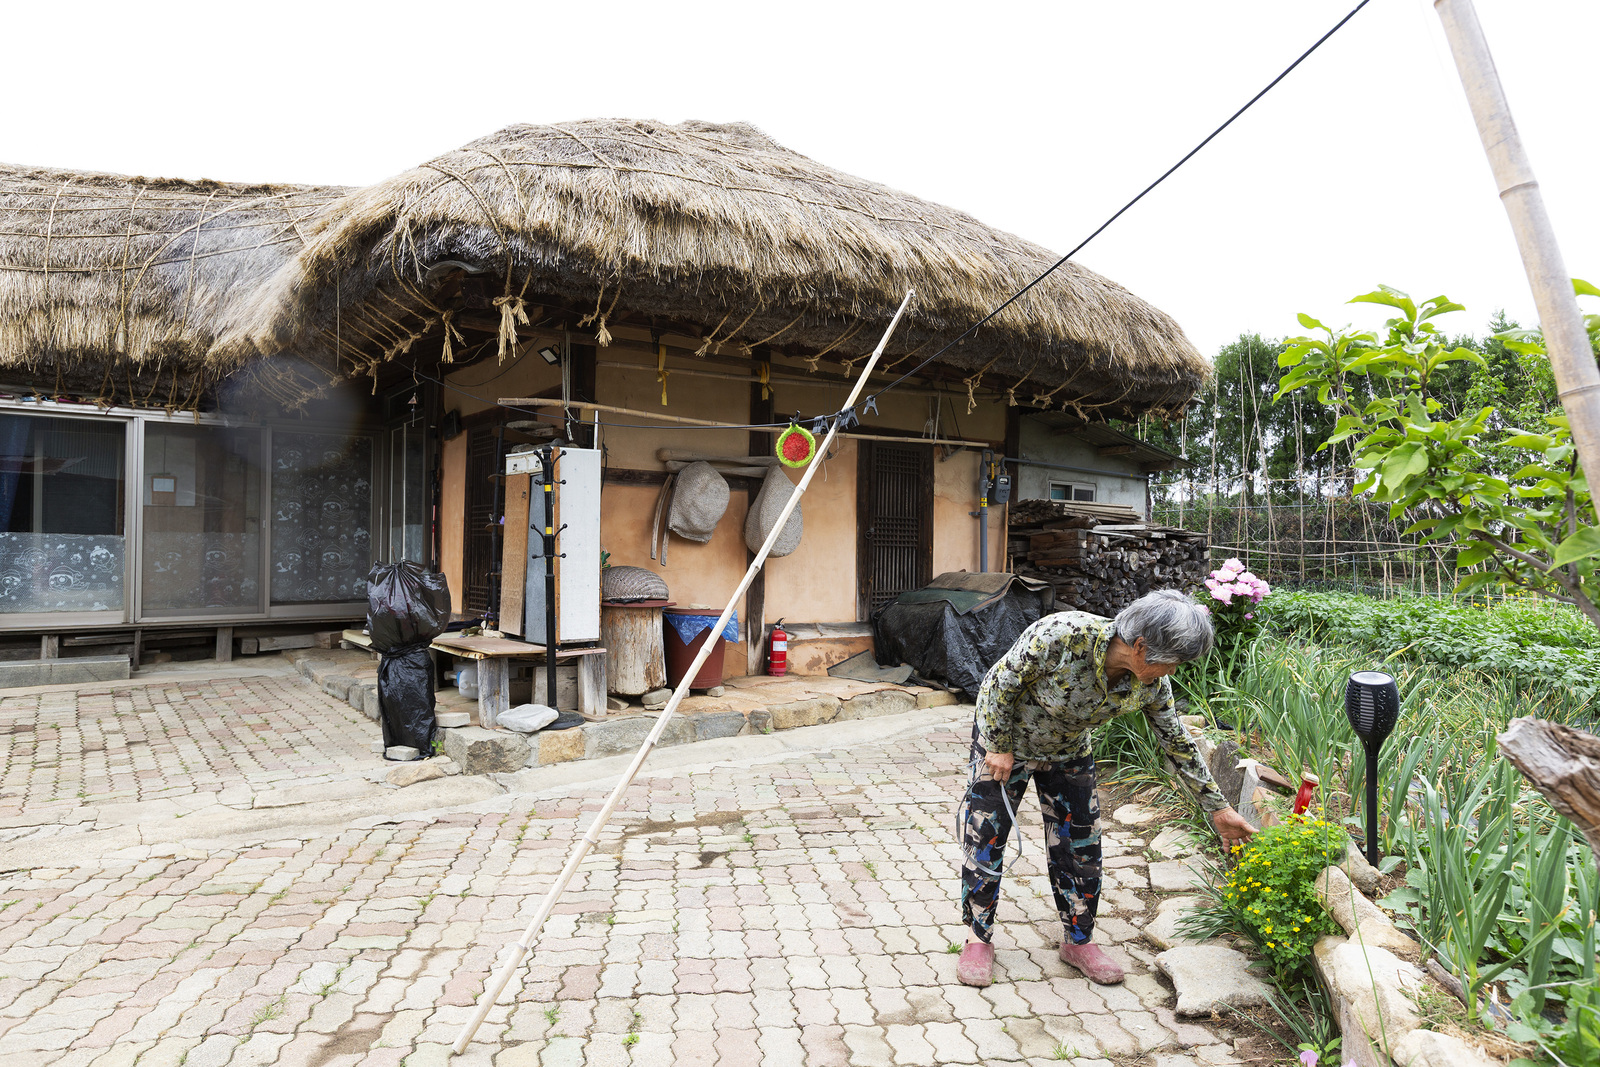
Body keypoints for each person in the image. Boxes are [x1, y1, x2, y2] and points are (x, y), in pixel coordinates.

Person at [955, 589, 1256, 988]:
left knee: (1081, 845)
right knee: (986, 836)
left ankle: (1078, 941)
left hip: (1069, 751)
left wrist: (1218, 808)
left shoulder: (1151, 685)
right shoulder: (1061, 635)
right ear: (1141, 646)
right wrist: (997, 745)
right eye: (1172, 661)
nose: (1173, 671)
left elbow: (1177, 742)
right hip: (1008, 744)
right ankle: (977, 939)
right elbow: (998, 684)